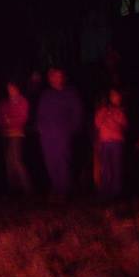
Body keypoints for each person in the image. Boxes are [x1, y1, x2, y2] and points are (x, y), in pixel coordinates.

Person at [36, 68, 83, 199]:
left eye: (59, 76)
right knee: (50, 160)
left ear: (63, 78)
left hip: (63, 133)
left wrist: (72, 130)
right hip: (47, 135)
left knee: (63, 160)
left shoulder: (70, 93)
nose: (56, 79)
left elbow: (77, 113)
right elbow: (40, 114)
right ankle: (56, 187)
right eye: (53, 76)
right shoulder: (46, 95)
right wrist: (41, 128)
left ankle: (64, 190)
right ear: (50, 79)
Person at [94, 88, 128, 200]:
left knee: (116, 167)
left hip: (117, 142)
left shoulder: (121, 110)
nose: (115, 98)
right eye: (113, 96)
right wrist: (104, 113)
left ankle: (117, 192)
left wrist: (114, 114)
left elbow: (124, 124)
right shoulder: (104, 109)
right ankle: (105, 191)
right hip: (105, 142)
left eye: (117, 96)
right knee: (106, 167)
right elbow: (97, 123)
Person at [0, 82, 32, 194]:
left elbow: (23, 118)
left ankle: (27, 187)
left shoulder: (23, 102)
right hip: (6, 134)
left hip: (17, 134)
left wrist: (10, 120)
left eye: (13, 88)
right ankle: (13, 188)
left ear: (17, 89)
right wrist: (7, 121)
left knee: (17, 160)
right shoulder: (5, 103)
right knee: (9, 162)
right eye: (9, 89)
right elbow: (1, 117)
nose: (11, 91)